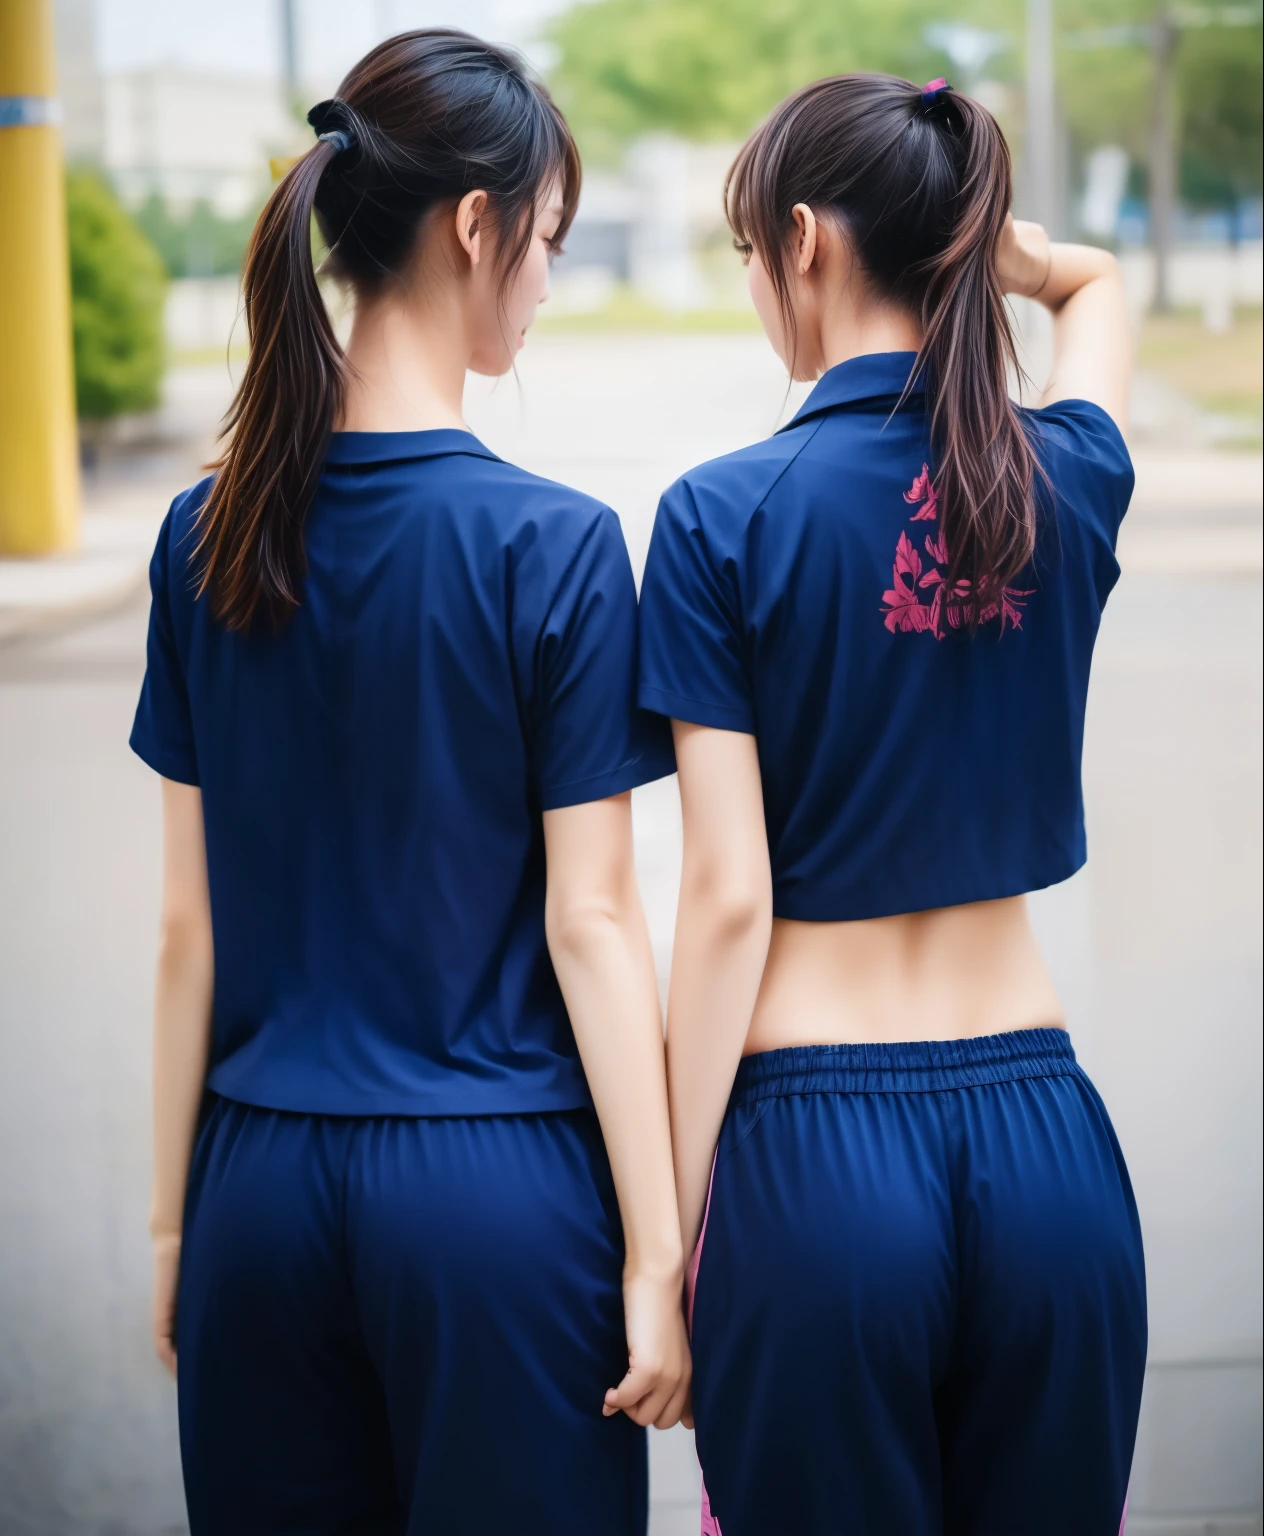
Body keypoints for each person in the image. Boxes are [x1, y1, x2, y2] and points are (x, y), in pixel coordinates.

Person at [130, 30, 688, 1536]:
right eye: (549, 242)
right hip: (494, 1200)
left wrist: (179, 1224)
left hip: (255, 1183)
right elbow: (594, 922)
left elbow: (188, 932)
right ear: (474, 226)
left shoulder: (203, 537)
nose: (551, 285)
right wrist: (656, 1258)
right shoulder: (555, 546)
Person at [638, 74, 1145, 1536]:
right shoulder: (1060, 472)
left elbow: (728, 897)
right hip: (1047, 1152)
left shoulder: (720, 514)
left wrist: (669, 1235)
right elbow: (1095, 285)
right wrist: (1011, 255)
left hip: (814, 1168)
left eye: (749, 252)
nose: (755, 287)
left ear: (803, 240)